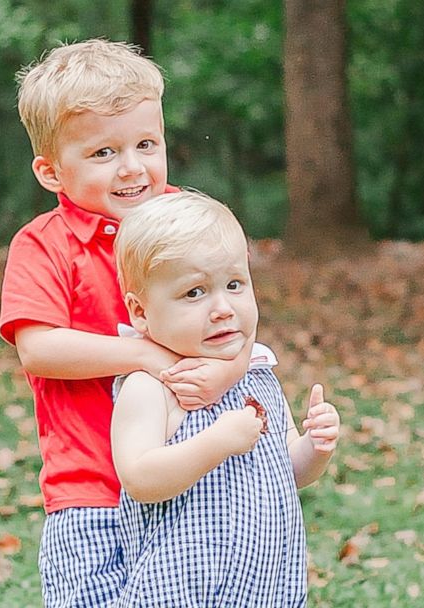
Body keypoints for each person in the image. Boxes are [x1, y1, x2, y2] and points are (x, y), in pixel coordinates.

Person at [0, 40, 251, 606]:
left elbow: (238, 318)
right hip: (91, 486)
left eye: (146, 144)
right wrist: (147, 356)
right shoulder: (45, 246)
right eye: (104, 153)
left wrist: (225, 375)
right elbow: (39, 349)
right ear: (51, 171)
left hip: (190, 477)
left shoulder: (187, 221)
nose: (133, 167)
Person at [112, 190, 341, 607]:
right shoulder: (152, 386)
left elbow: (285, 470)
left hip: (265, 588)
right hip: (180, 591)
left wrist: (314, 448)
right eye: (194, 293)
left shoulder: (258, 375)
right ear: (141, 312)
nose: (222, 308)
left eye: (234, 284)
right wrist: (217, 442)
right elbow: (140, 478)